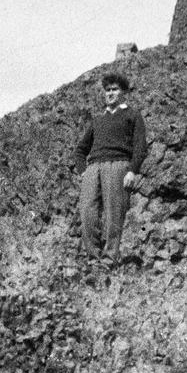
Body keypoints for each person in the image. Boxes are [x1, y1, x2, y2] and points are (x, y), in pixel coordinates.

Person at [74, 71, 148, 268]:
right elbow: (80, 150)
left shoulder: (132, 115)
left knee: (114, 213)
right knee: (87, 213)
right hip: (93, 167)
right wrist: (84, 171)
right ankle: (93, 258)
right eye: (107, 90)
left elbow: (140, 146)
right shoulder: (98, 120)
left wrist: (132, 170)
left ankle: (108, 260)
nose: (110, 93)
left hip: (118, 165)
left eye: (115, 89)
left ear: (123, 92)